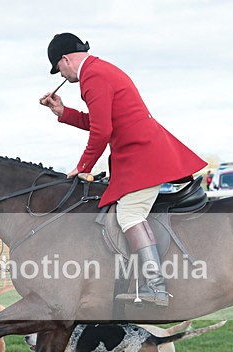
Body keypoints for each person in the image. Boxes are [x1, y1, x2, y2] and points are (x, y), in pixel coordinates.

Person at [40, 33, 207, 306]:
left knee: (129, 215)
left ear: (65, 59)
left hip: (142, 158)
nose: (61, 74)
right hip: (141, 156)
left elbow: (102, 130)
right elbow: (101, 122)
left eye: (57, 68)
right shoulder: (99, 71)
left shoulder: (92, 77)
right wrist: (63, 112)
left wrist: (82, 167)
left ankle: (156, 286)